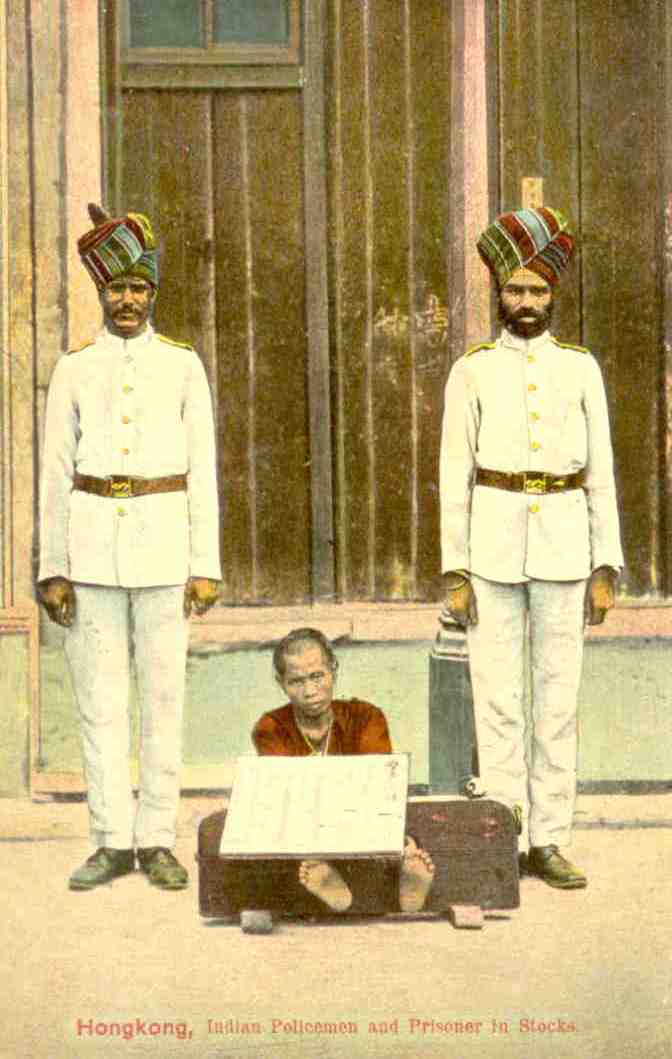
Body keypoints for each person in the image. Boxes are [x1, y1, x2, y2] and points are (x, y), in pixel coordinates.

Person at [37, 204, 221, 891]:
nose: (127, 300)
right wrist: (52, 567)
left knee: (164, 697)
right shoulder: (75, 368)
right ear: (100, 293)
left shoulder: (181, 365)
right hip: (90, 551)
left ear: (154, 293)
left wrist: (206, 565)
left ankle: (157, 838)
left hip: (164, 546)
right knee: (100, 698)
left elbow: (202, 468)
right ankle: (111, 839)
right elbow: (55, 473)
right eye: (115, 288)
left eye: (139, 288)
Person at [439, 207, 623, 889]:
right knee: (497, 697)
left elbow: (600, 469)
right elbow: (452, 474)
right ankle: (502, 831)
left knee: (557, 697)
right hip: (491, 544)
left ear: (555, 294)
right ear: (498, 294)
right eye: (514, 290)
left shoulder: (581, 369)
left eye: (537, 291)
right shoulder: (474, 370)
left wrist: (605, 564)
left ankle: (549, 837)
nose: (525, 303)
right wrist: (454, 567)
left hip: (565, 548)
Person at [252, 627, 435, 914]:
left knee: (398, 820)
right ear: (281, 682)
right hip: (306, 826)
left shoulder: (365, 716)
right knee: (272, 833)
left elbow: (376, 786)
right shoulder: (271, 727)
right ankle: (326, 875)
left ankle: (406, 874)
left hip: (361, 821)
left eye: (317, 676)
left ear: (333, 671)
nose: (310, 691)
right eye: (296, 681)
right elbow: (287, 795)